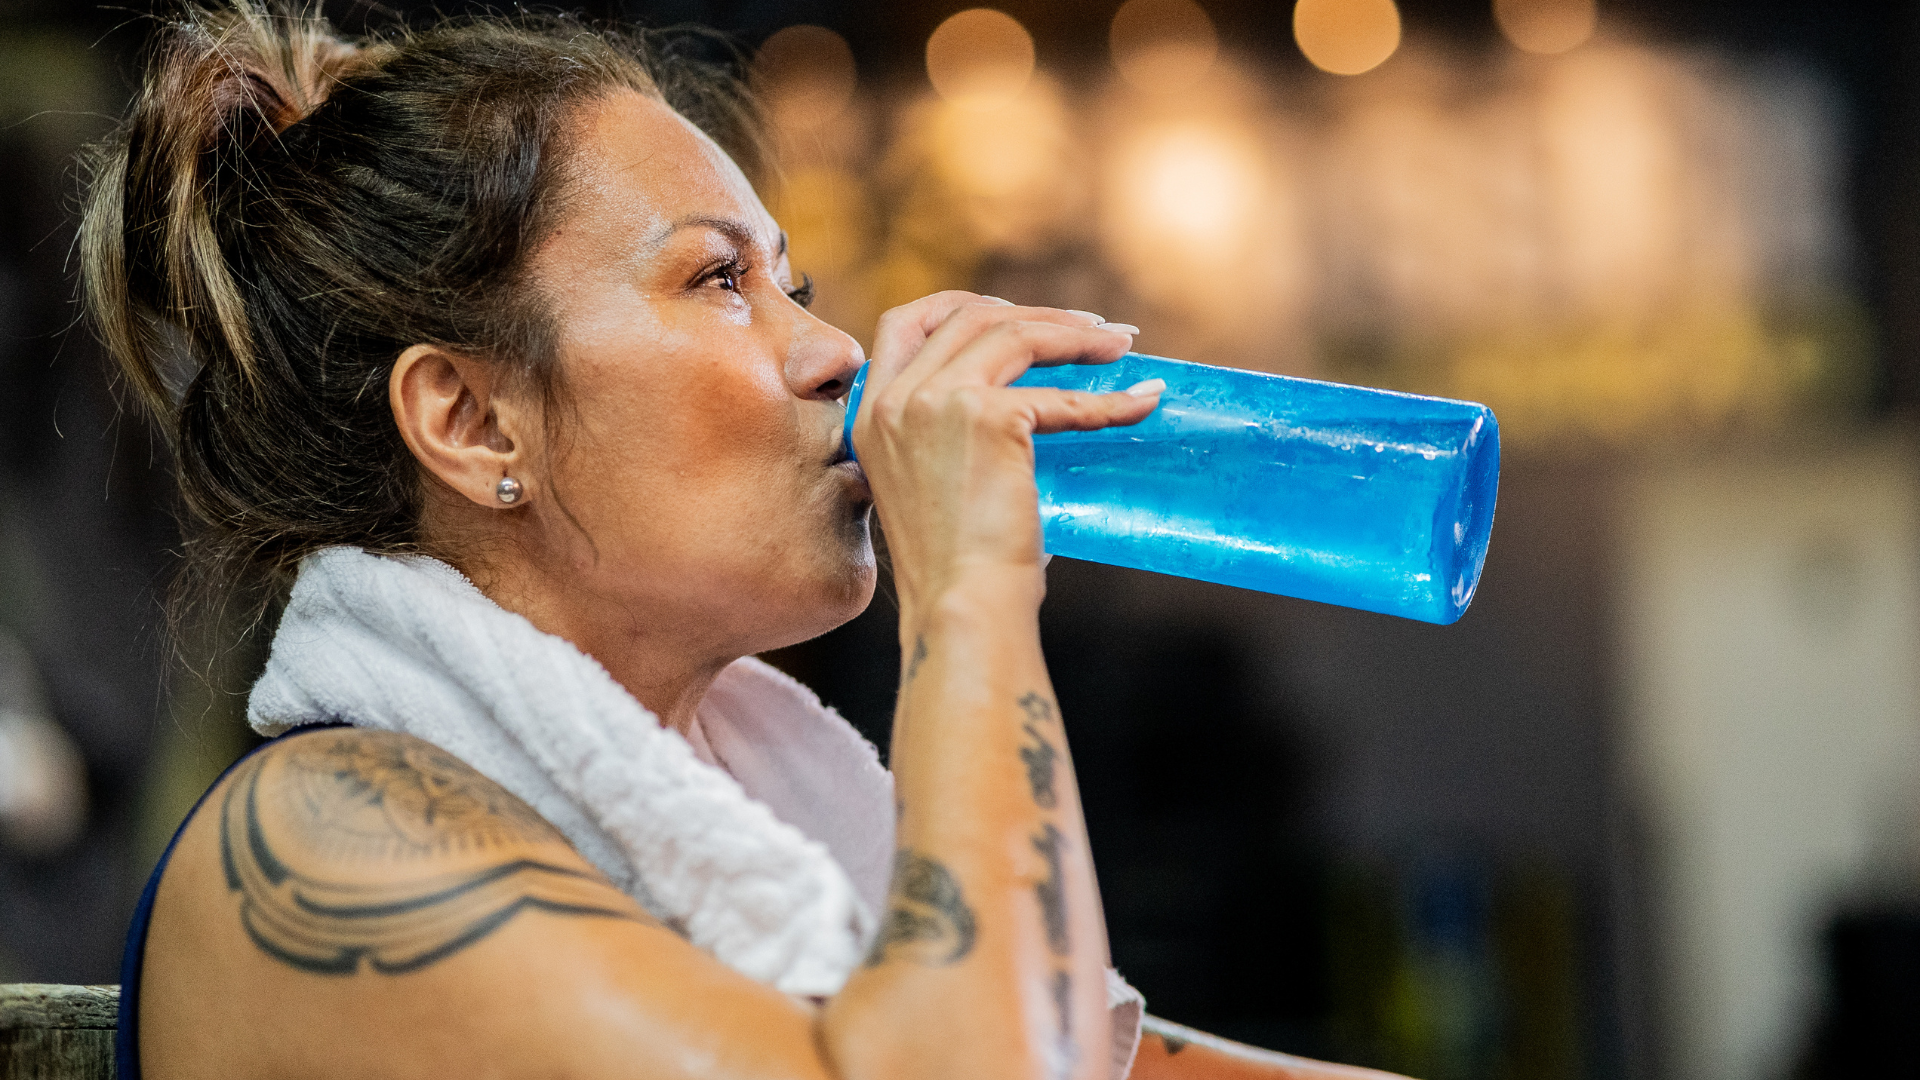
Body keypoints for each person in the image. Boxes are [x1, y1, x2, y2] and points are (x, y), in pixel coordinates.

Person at [82, 5, 1405, 1078]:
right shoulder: (331, 835)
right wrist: (975, 591)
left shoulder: (734, 819)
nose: (835, 350)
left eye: (797, 286)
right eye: (721, 280)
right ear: (475, 421)